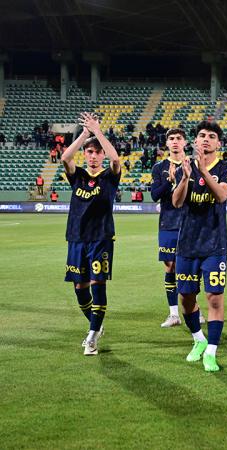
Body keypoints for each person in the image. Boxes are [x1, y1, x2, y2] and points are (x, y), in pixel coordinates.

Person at [171, 121, 227, 372]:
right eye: (201, 135)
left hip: (215, 244)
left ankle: (211, 352)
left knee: (214, 298)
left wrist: (202, 171)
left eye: (211, 136)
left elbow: (221, 195)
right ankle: (199, 339)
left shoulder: (226, 169)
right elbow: (177, 202)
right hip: (187, 244)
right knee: (186, 297)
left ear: (218, 143)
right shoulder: (184, 167)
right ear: (195, 141)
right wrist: (185, 178)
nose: (206, 139)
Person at [61, 112, 121, 356]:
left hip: (101, 239)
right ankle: (96, 325)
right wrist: (84, 134)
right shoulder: (78, 176)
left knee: (98, 286)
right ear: (85, 154)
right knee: (80, 288)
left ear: (102, 155)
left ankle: (92, 337)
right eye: (90, 152)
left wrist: (98, 131)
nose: (94, 156)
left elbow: (116, 159)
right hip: (76, 238)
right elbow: (65, 157)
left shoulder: (109, 178)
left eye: (97, 152)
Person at [150, 128, 205, 328]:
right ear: (167, 143)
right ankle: (173, 314)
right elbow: (155, 195)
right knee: (170, 266)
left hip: (190, 223)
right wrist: (169, 181)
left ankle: (194, 308)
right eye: (171, 139)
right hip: (168, 223)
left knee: (190, 268)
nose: (175, 141)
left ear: (185, 142)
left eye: (178, 138)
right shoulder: (159, 167)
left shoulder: (194, 165)